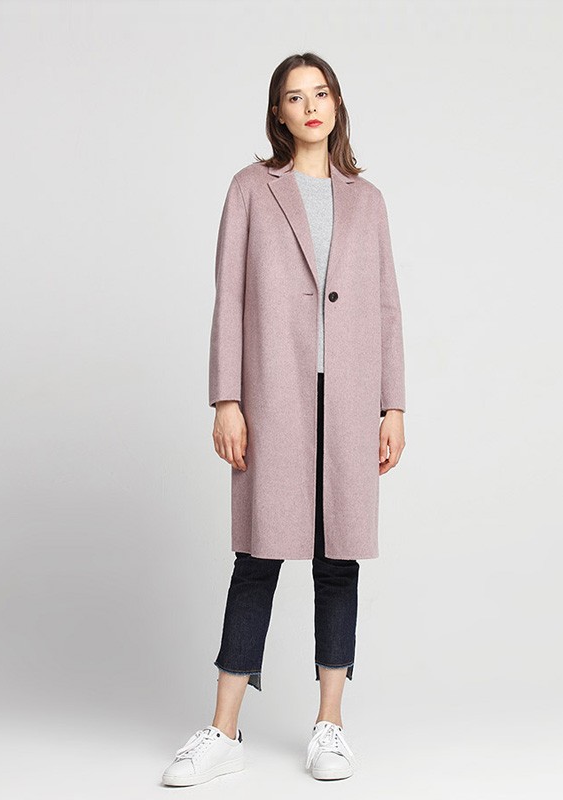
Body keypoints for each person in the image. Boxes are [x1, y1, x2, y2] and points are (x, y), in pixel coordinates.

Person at [162, 52, 406, 787]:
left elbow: (387, 305)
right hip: (274, 393)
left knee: (338, 561)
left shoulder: (367, 200)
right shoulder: (251, 189)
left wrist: (394, 404)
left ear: (337, 103)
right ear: (278, 113)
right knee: (258, 558)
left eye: (320, 93)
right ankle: (222, 731)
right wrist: (226, 398)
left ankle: (330, 726)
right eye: (295, 97)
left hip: (351, 395)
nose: (310, 107)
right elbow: (229, 296)